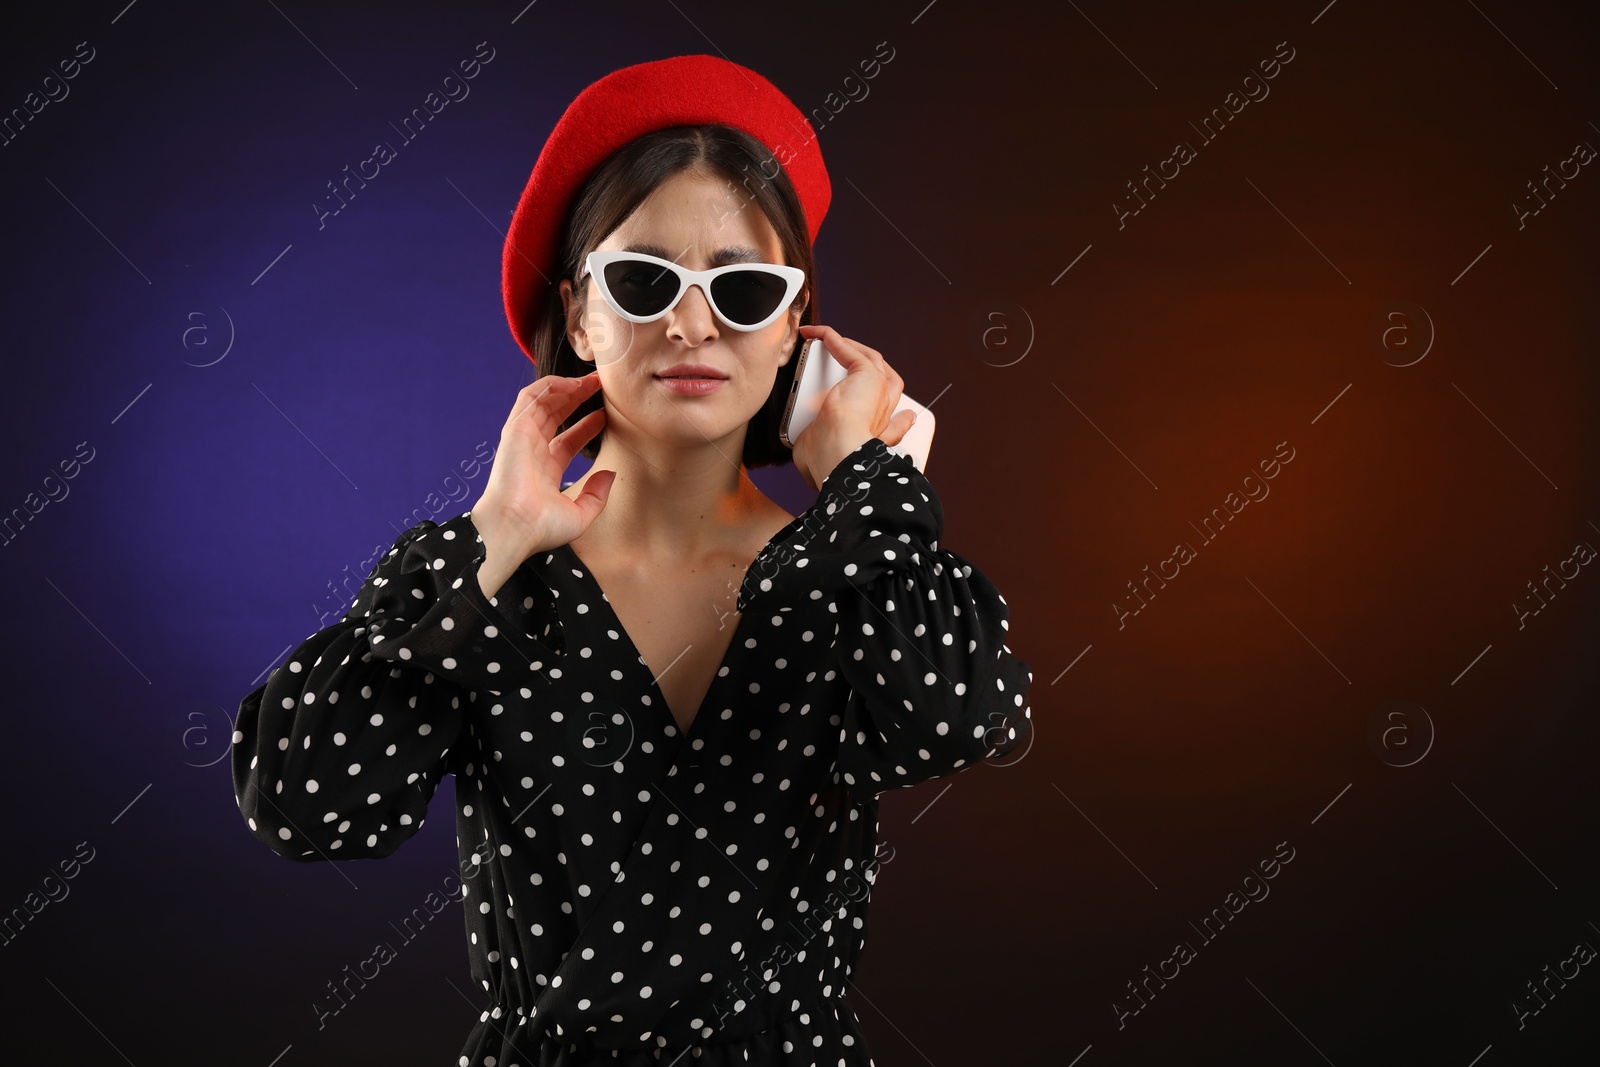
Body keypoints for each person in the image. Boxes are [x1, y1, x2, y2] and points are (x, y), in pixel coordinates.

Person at [231, 54, 1034, 1066]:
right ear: (579, 314)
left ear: (794, 328)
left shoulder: (848, 571)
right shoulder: (490, 583)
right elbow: (307, 805)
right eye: (645, 280)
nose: (691, 323)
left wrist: (865, 490)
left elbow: (958, 720)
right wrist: (489, 541)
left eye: (742, 289)